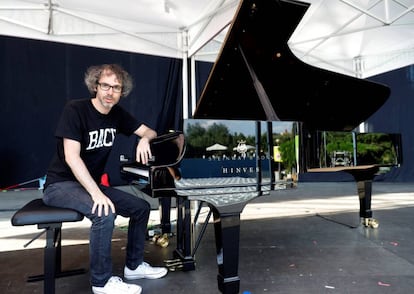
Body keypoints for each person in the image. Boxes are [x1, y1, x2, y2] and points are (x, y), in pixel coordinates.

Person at [43, 64, 168, 294]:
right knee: (104, 211)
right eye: (106, 86)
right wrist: (96, 193)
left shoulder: (117, 114)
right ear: (95, 86)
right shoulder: (76, 110)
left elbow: (149, 131)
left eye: (116, 87)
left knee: (140, 207)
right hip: (60, 185)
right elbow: (72, 157)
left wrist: (144, 140)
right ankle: (101, 282)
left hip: (88, 184)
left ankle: (134, 266)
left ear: (122, 92)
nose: (110, 92)